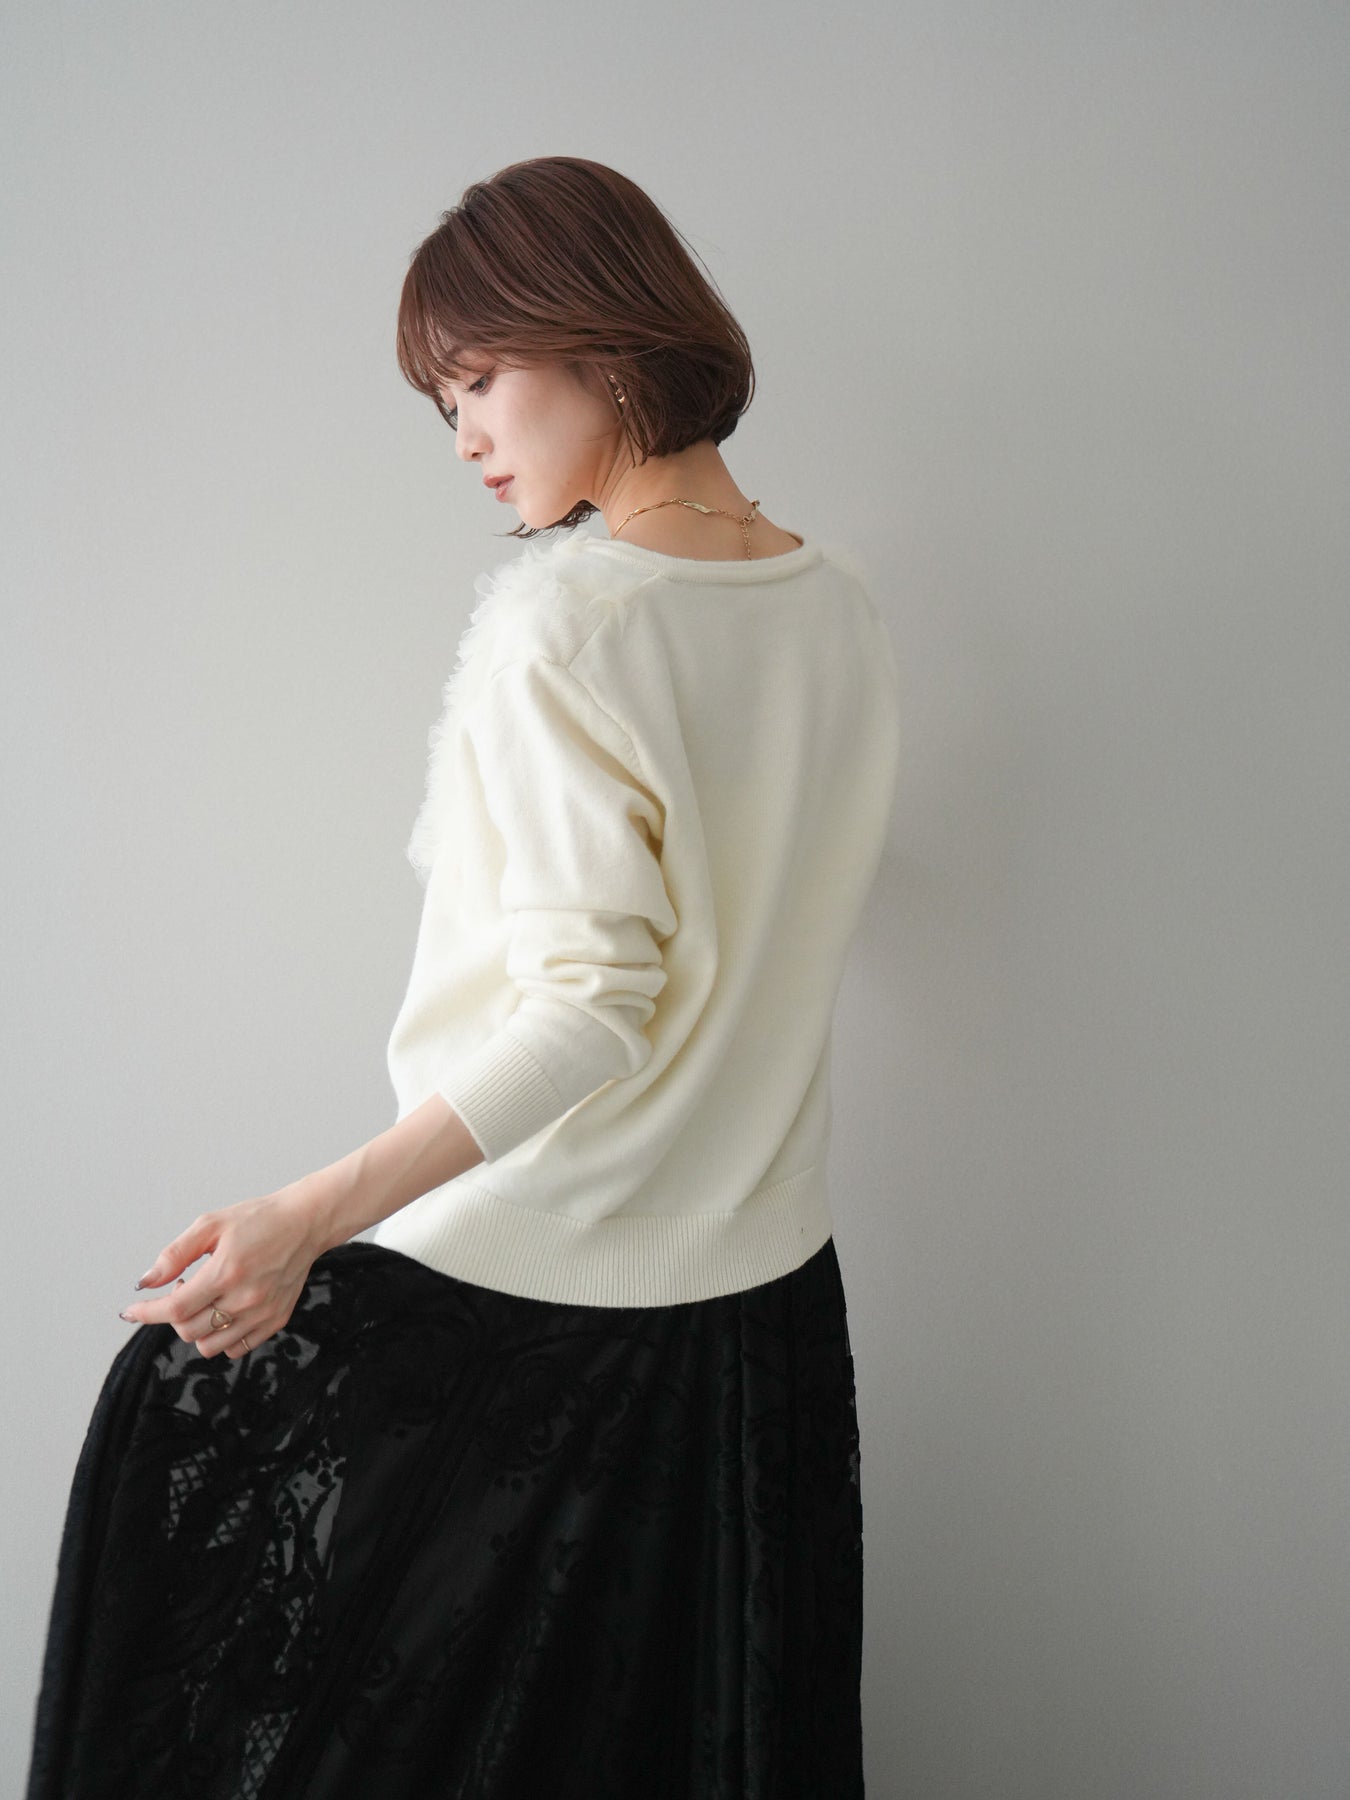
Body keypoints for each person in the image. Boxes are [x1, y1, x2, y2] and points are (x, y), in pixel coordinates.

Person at [25, 155, 901, 1799]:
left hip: (541, 1310)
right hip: (761, 1316)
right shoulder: (833, 605)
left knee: (185, 1470)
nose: (465, 440)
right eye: (445, 406)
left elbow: (589, 1006)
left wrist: (309, 1217)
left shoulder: (568, 628)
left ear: (602, 338)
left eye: (479, 381)